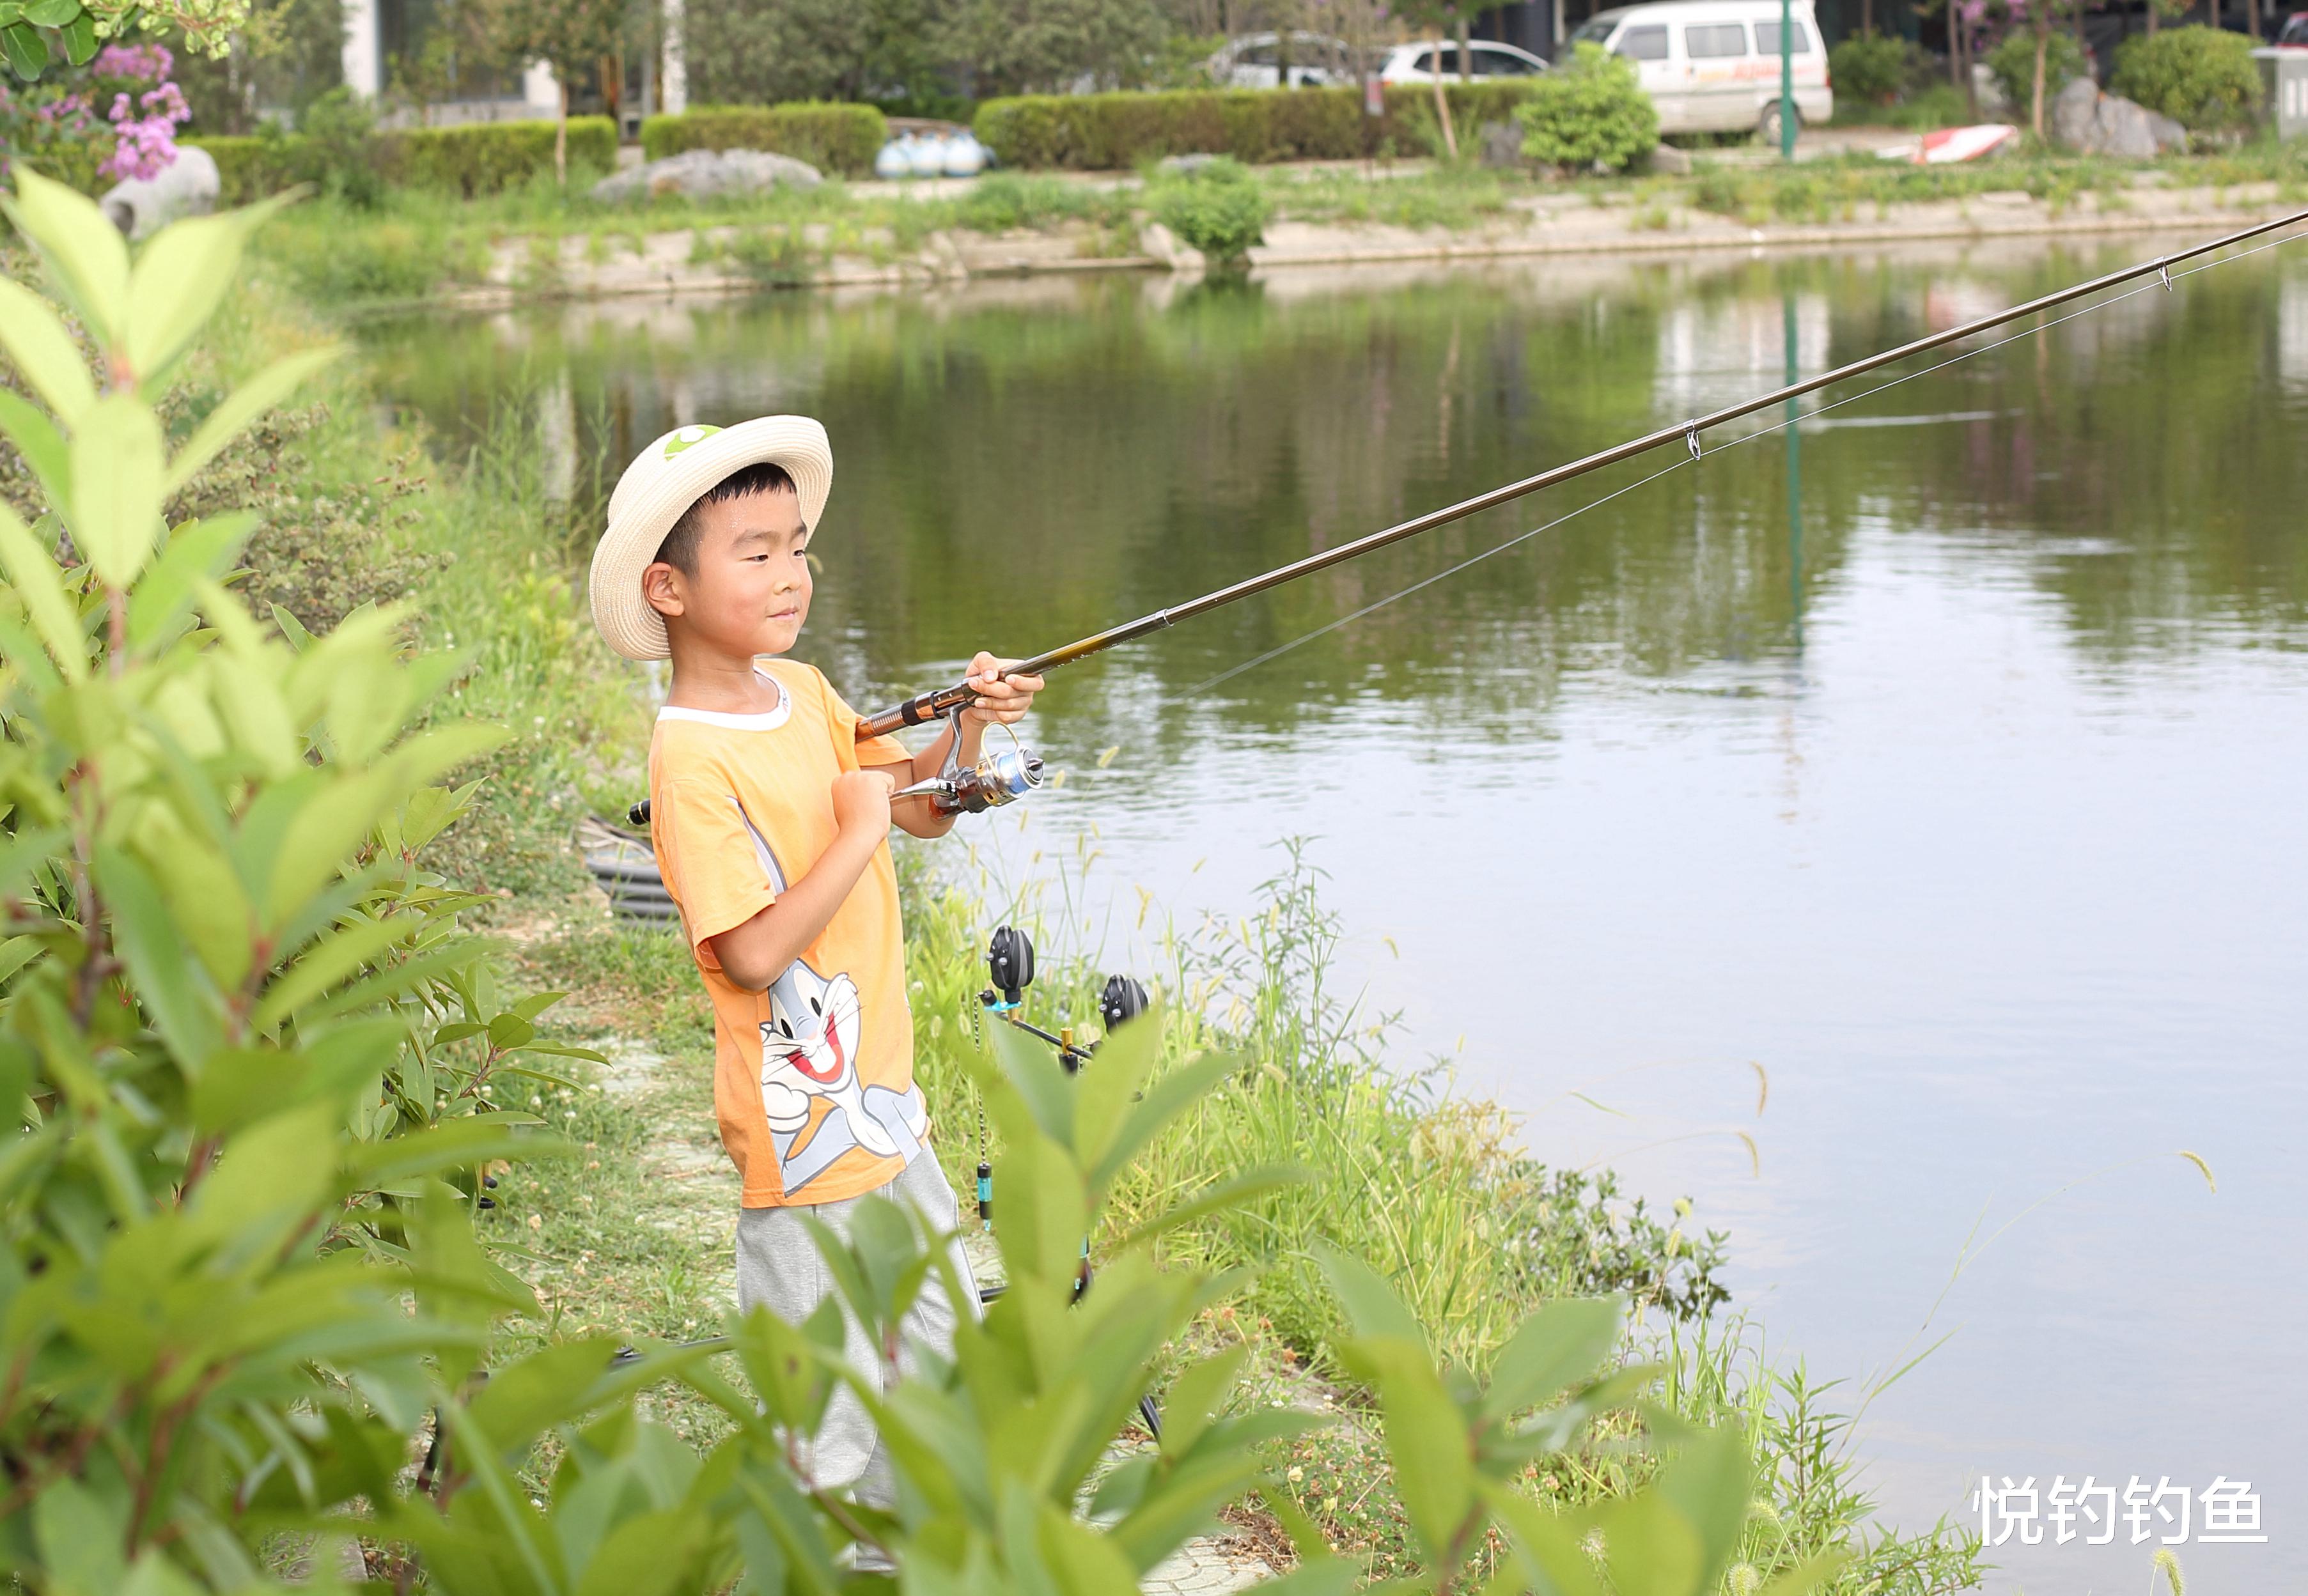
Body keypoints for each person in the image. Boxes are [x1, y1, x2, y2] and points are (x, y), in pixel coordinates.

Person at [586, 416, 1040, 1524]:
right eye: (756, 552)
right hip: (798, 1144)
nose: (791, 573)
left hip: (887, 1109)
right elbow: (747, 954)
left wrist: (971, 726)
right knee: (828, 1421)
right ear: (670, 586)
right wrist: (853, 833)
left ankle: (913, 1552)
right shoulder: (689, 755)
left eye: (798, 546)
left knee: (942, 1368)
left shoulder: (807, 692)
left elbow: (922, 809)